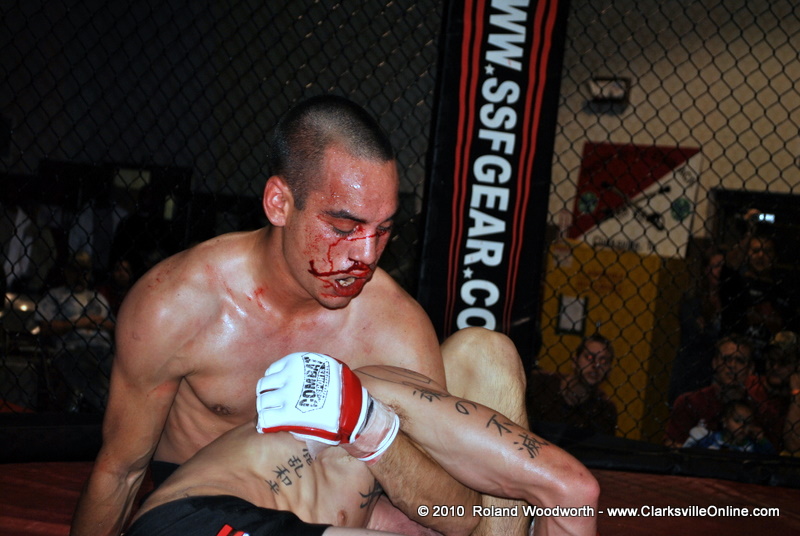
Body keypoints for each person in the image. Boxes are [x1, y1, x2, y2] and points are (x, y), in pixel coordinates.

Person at [71, 96, 540, 536]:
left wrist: (372, 431)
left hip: (342, 506)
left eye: (383, 230)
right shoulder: (178, 304)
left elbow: (454, 511)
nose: (366, 256)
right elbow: (122, 472)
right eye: (343, 226)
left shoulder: (393, 324)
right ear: (279, 203)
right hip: (217, 511)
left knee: (487, 353)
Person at [125, 355, 599, 536]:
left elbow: (464, 516)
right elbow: (571, 491)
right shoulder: (375, 398)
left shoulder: (379, 478)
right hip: (196, 520)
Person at [36, 251, 115, 412]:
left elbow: (114, 325)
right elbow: (44, 327)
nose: (80, 276)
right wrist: (79, 323)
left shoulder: (97, 297)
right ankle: (107, 410)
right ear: (67, 272)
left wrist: (98, 322)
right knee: (90, 372)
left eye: (85, 271)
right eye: (76, 270)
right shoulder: (56, 295)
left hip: (105, 348)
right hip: (74, 348)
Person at [664, 335, 754, 447]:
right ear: (715, 363)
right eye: (726, 359)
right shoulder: (690, 402)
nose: (732, 365)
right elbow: (671, 445)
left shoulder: (756, 407)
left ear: (750, 369)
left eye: (740, 360)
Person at [526, 334, 618, 435]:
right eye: (589, 357)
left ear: (609, 371)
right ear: (574, 361)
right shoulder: (540, 383)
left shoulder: (605, 410)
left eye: (603, 361)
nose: (596, 365)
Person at [668, 249, 724, 404]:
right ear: (706, 270)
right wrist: (713, 335)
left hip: (717, 373)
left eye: (724, 267)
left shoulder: (732, 301)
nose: (721, 271)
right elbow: (696, 334)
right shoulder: (692, 299)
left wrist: (707, 330)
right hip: (692, 369)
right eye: (716, 266)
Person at [682, 399, 775, 454]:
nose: (742, 426)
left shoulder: (753, 447)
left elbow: (771, 455)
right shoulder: (709, 440)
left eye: (747, 422)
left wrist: (761, 439)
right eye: (737, 420)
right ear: (725, 421)